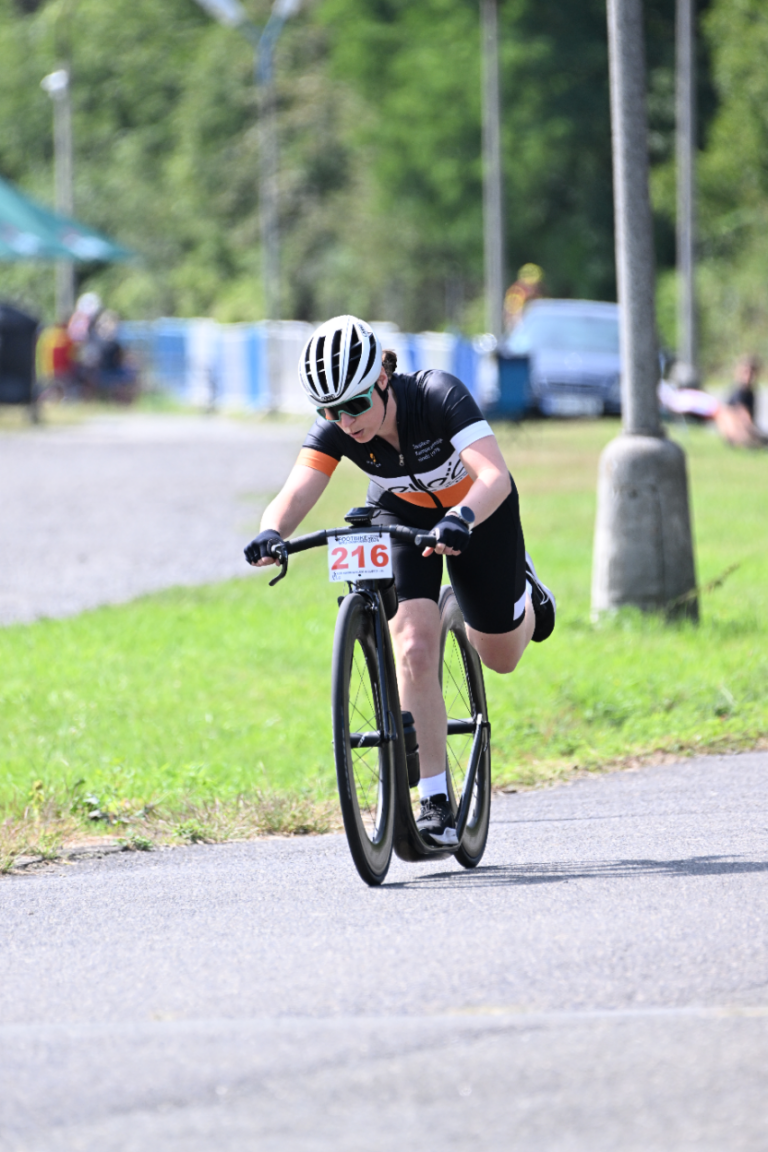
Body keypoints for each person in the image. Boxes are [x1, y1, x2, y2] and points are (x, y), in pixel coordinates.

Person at [244, 315, 556, 847]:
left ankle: (528, 596)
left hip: (477, 512)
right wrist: (270, 532)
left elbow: (494, 475)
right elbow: (296, 489)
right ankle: (435, 799)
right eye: (329, 411)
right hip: (398, 515)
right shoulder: (338, 429)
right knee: (411, 642)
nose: (345, 421)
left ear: (382, 381)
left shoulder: (437, 395)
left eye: (355, 406)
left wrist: (462, 519)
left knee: (500, 656)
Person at [715, 354, 767, 448]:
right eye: (746, 372)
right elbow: (743, 416)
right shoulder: (739, 392)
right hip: (738, 430)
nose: (748, 376)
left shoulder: (750, 393)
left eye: (752, 372)